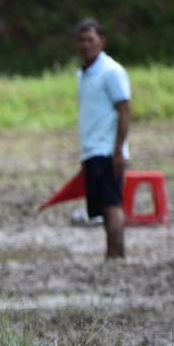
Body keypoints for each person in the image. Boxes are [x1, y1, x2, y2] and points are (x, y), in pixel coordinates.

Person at [73, 18, 130, 261]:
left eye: (91, 40)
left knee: (112, 205)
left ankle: (116, 256)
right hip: (92, 150)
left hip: (108, 150)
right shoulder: (83, 74)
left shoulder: (112, 71)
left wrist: (118, 151)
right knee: (102, 209)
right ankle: (112, 254)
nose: (86, 45)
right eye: (82, 40)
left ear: (102, 42)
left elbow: (124, 111)